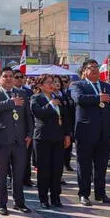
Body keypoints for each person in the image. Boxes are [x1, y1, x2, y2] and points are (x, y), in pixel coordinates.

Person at [0, 67, 34, 215]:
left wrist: (29, 134)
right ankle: (2, 203)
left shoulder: (22, 93)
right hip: (2, 140)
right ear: (0, 78)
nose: (8, 79)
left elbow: (28, 116)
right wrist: (12, 103)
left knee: (18, 174)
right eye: (5, 76)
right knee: (1, 174)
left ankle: (19, 202)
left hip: (19, 140)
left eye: (10, 76)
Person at [70, 59, 110, 206]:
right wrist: (98, 98)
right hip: (85, 132)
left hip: (104, 133)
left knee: (101, 166)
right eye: (91, 67)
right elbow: (79, 99)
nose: (95, 70)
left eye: (96, 67)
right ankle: (83, 194)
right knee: (84, 166)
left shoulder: (106, 86)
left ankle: (100, 194)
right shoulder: (78, 85)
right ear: (85, 71)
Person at [31, 75, 72, 208]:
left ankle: (55, 197)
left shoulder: (57, 98)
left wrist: (67, 135)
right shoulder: (36, 98)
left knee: (57, 169)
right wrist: (50, 105)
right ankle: (43, 198)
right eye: (48, 83)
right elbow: (38, 113)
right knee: (44, 169)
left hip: (58, 138)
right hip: (43, 138)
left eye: (52, 82)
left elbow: (65, 117)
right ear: (40, 85)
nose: (51, 85)